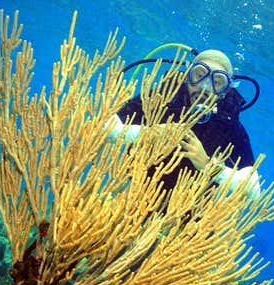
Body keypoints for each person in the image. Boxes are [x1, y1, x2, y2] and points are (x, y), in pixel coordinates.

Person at [106, 49, 261, 199]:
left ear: (225, 92)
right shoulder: (162, 97)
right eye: (199, 75)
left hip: (187, 217)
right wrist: (145, 133)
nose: (204, 87)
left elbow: (254, 190)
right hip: (134, 197)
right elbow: (106, 127)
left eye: (218, 82)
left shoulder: (228, 125)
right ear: (187, 76)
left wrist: (208, 166)